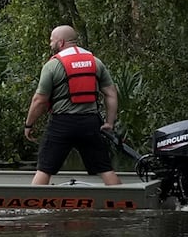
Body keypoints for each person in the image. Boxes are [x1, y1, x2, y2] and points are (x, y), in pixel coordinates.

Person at [23, 25, 121, 186]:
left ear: (60, 43)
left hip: (62, 124)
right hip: (90, 123)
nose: (50, 45)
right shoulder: (95, 62)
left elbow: (39, 100)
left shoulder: (52, 66)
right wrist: (109, 123)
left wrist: (29, 124)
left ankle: (32, 205)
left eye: (51, 41)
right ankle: (124, 203)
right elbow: (111, 93)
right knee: (105, 169)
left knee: (44, 169)